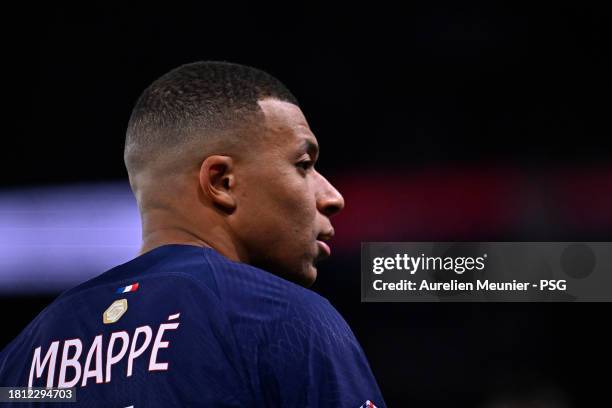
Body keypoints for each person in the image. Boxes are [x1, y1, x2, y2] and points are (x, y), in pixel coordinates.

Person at [0, 61, 386, 407]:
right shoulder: (283, 320)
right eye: (304, 164)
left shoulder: (22, 358)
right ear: (221, 181)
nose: (332, 196)